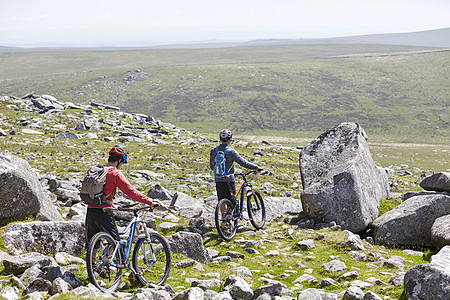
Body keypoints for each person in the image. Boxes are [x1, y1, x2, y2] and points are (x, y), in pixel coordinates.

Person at [85, 146, 157, 246]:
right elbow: (131, 192)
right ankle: (107, 260)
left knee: (93, 245)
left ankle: (92, 262)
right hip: (104, 212)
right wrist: (149, 202)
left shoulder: (98, 170)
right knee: (116, 244)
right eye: (122, 162)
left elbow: (101, 193)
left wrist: (113, 205)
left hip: (90, 210)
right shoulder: (115, 173)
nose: (122, 165)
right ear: (119, 160)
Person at [210, 129, 262, 204]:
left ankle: (223, 215)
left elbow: (212, 166)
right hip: (229, 179)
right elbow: (243, 163)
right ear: (230, 139)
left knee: (221, 200)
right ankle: (231, 215)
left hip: (218, 179)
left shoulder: (214, 150)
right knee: (231, 202)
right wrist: (256, 167)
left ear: (220, 139)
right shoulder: (231, 151)